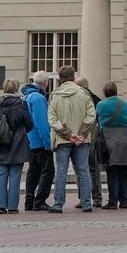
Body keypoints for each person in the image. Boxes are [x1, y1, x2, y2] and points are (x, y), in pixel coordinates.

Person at [46, 66, 95, 213]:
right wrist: (81, 134)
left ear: (60, 78)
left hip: (62, 140)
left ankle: (58, 204)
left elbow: (52, 119)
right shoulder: (84, 94)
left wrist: (68, 134)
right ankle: (86, 203)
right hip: (82, 140)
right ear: (73, 77)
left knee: (61, 172)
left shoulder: (54, 95)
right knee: (83, 171)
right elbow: (91, 115)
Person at [0, 79, 32, 214]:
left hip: (0, 141)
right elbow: (29, 124)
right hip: (17, 141)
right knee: (15, 174)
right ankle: (13, 206)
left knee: (1, 173)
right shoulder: (21, 104)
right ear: (16, 88)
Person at [95, 81, 127, 210]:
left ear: (105, 92)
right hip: (124, 139)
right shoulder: (124, 104)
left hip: (108, 139)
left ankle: (113, 201)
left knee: (112, 170)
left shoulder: (100, 105)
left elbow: (97, 119)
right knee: (123, 171)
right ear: (116, 91)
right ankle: (124, 201)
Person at [21, 72, 53, 212]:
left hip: (29, 140)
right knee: (48, 171)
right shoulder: (38, 98)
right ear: (45, 83)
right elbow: (41, 124)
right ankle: (40, 200)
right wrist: (48, 142)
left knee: (33, 171)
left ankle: (29, 201)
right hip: (39, 141)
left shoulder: (26, 96)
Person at [77, 76, 106, 207]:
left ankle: (84, 198)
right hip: (93, 138)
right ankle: (96, 197)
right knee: (93, 169)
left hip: (82, 137)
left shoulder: (78, 98)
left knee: (82, 168)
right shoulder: (97, 100)